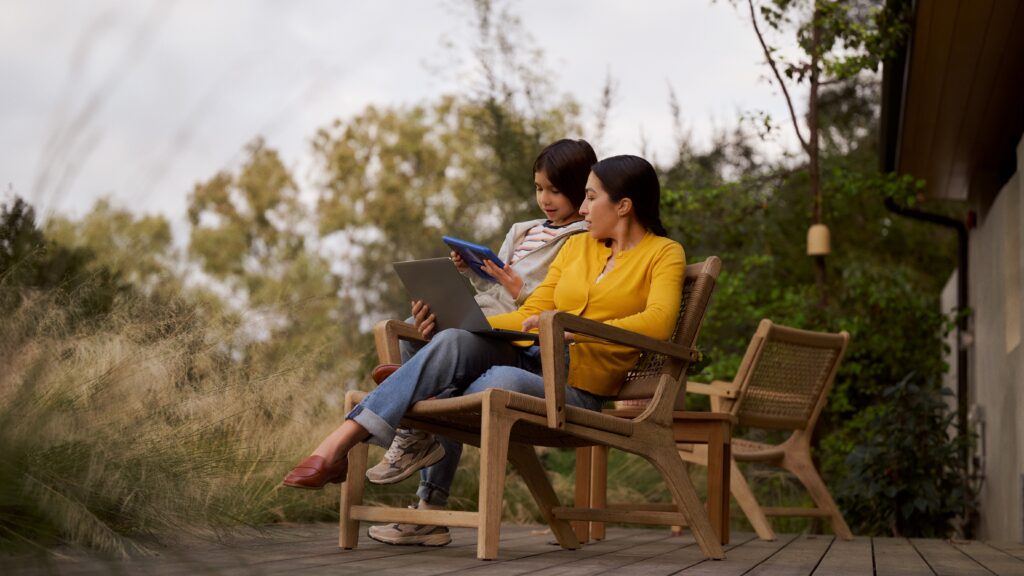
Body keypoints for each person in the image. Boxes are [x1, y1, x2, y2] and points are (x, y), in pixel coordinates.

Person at [282, 155, 686, 549]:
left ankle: (420, 397)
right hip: (535, 360)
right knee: (454, 341)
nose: (581, 208)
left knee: (497, 382)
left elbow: (658, 323)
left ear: (624, 205)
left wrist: (572, 331)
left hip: (577, 389)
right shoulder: (579, 250)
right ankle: (340, 441)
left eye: (590, 198)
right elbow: (530, 311)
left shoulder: (664, 254)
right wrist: (468, 324)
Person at [364, 139, 595, 489]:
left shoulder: (582, 238)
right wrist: (472, 271)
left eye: (556, 191)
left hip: (517, 335)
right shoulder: (523, 230)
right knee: (413, 327)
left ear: (582, 191)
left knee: (441, 373)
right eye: (538, 189)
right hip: (486, 315)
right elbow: (493, 289)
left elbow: (558, 303)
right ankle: (417, 432)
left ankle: (417, 451)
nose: (545, 199)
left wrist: (521, 290)